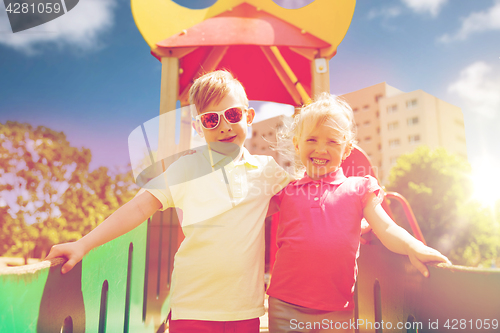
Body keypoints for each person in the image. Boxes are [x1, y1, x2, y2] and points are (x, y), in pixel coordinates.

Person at [46, 70, 293, 333]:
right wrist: (83, 244)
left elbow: (300, 199)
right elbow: (140, 206)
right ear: (199, 127)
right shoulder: (186, 168)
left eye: (232, 115)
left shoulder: (266, 170)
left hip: (245, 309)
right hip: (192, 307)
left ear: (249, 116)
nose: (224, 126)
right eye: (211, 120)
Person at [266, 93, 451, 333]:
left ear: (346, 149)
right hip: (285, 305)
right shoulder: (286, 190)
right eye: (312, 139)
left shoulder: (359, 188)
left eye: (332, 142)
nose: (321, 149)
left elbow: (386, 227)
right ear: (297, 144)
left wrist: (412, 246)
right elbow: (244, 214)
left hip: (337, 309)